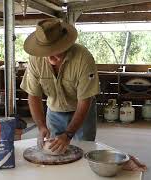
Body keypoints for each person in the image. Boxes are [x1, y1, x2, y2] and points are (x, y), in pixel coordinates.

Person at [20, 18, 99, 154]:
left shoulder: (83, 59)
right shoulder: (35, 60)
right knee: (53, 152)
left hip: (81, 111)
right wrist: (41, 126)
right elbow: (33, 96)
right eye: (46, 52)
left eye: (56, 50)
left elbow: (84, 101)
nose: (51, 58)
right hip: (54, 112)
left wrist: (68, 134)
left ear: (66, 44)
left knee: (83, 151)